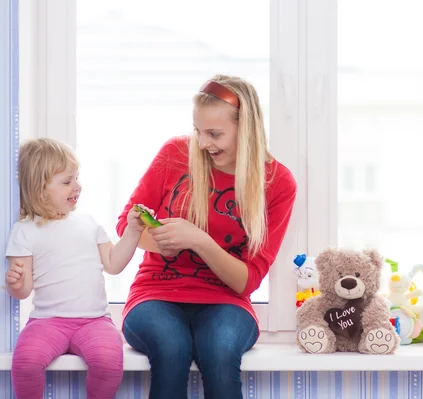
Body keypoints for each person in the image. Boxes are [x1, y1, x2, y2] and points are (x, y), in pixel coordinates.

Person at [117, 74, 297, 399]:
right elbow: (124, 226)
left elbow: (247, 280)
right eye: (198, 131)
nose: (202, 143)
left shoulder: (278, 182)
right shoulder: (175, 152)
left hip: (226, 301)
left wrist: (197, 239)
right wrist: (162, 238)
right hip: (155, 293)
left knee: (219, 350)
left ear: (247, 129)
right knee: (172, 347)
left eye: (215, 134)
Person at [4, 138, 149, 399]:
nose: (77, 186)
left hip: (94, 321)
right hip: (47, 322)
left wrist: (132, 232)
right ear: (39, 190)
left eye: (77, 178)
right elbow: (23, 291)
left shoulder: (88, 223)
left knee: (108, 363)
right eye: (67, 181)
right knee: (25, 363)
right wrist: (15, 283)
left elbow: (114, 264)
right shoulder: (24, 230)